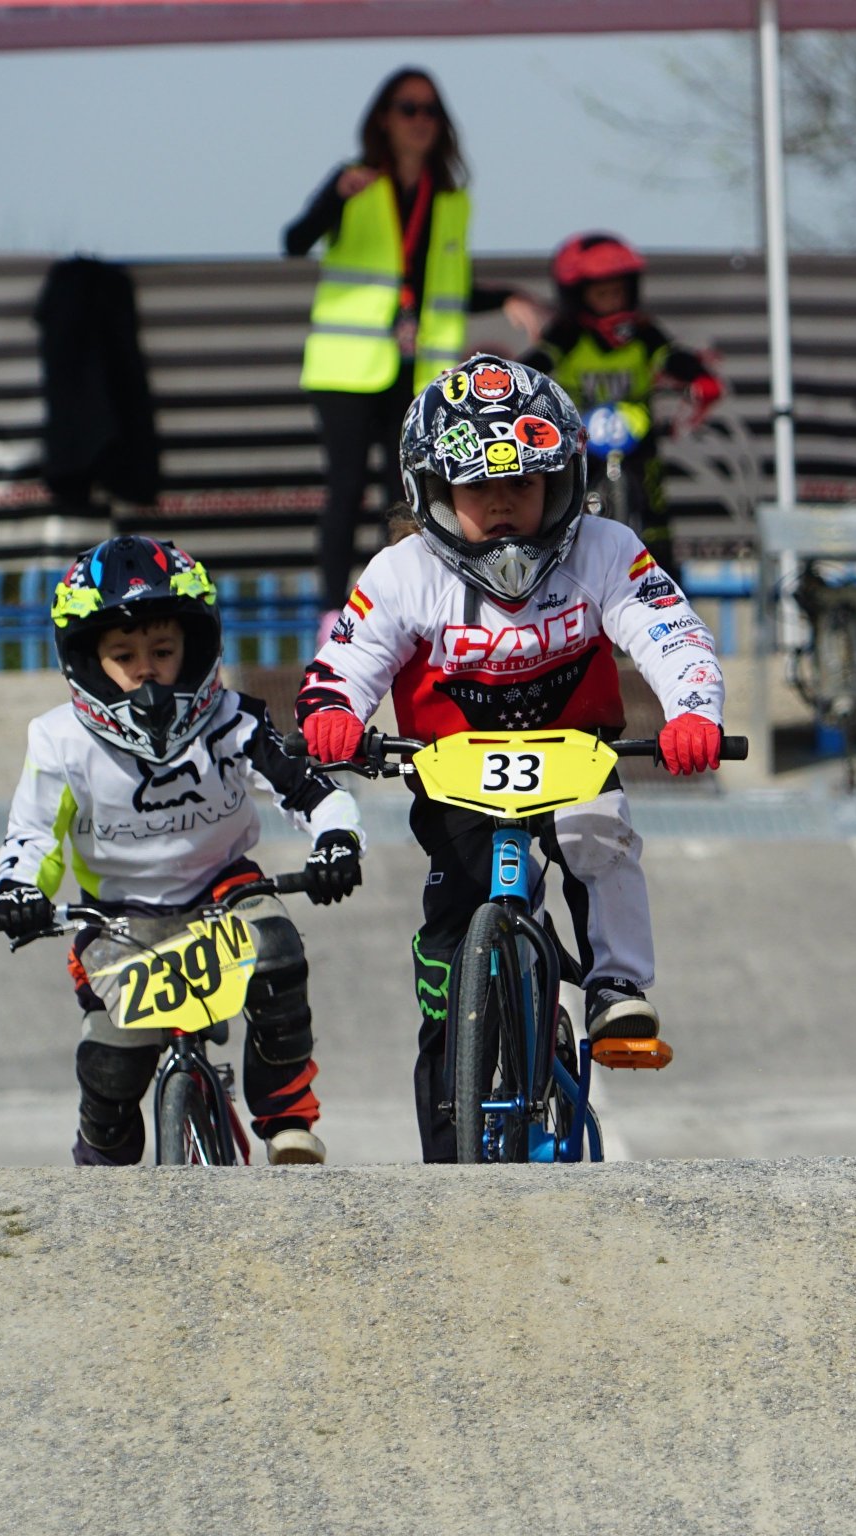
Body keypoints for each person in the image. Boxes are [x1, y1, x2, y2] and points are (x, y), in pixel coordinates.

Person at [294, 355, 728, 1164]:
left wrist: (693, 711)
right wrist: (331, 714)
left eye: (522, 485)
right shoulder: (402, 571)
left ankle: (616, 986)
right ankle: (446, 1163)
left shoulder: (605, 547)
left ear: (562, 482)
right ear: (432, 493)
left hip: (575, 753)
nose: (501, 505)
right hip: (453, 768)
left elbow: (671, 633)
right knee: (445, 972)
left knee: (600, 838)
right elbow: (347, 658)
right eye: (477, 489)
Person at [0, 537, 363, 1166]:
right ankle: (101, 1162)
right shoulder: (58, 740)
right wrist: (17, 891)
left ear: (194, 648)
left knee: (277, 950)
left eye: (163, 652)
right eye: (124, 656)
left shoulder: (234, 719)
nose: (146, 671)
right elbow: (31, 837)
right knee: (111, 1068)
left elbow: (311, 792)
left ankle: (287, 1123)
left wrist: (337, 840)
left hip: (224, 892)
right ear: (87, 660)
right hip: (117, 916)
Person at [284, 67, 543, 631]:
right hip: (346, 365)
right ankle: (332, 613)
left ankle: (397, 607)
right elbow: (295, 241)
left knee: (407, 491)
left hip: (417, 368)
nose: (419, 120)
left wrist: (508, 297)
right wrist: (333, 198)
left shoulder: (449, 199)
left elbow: (447, 287)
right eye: (407, 108)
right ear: (384, 118)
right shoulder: (355, 181)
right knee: (346, 487)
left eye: (430, 110)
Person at [520, 233, 725, 582]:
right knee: (563, 498)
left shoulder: (644, 332)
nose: (612, 301)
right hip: (579, 437)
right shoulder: (567, 334)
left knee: (654, 501)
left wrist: (701, 376)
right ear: (578, 297)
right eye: (601, 294)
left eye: (617, 292)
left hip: (637, 438)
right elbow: (538, 360)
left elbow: (671, 356)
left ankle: (662, 576)